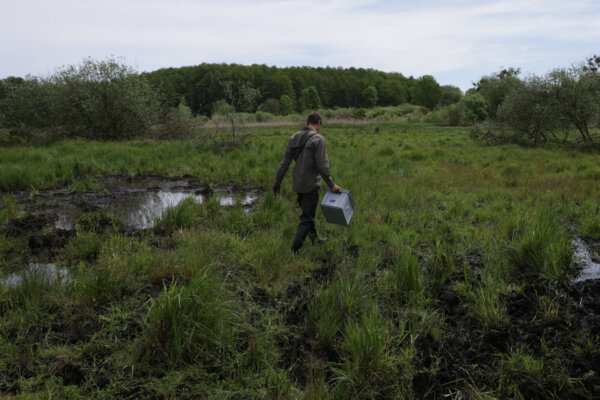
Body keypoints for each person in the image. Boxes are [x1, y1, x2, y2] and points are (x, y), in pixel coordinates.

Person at [273, 112, 342, 253]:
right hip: (310, 184)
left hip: (297, 184)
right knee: (307, 219)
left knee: (308, 213)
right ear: (318, 123)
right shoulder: (318, 139)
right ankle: (294, 249)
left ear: (307, 122)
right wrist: (332, 185)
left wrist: (277, 183)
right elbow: (322, 166)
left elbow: (283, 164)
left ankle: (315, 241)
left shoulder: (294, 137)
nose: (320, 128)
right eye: (320, 125)